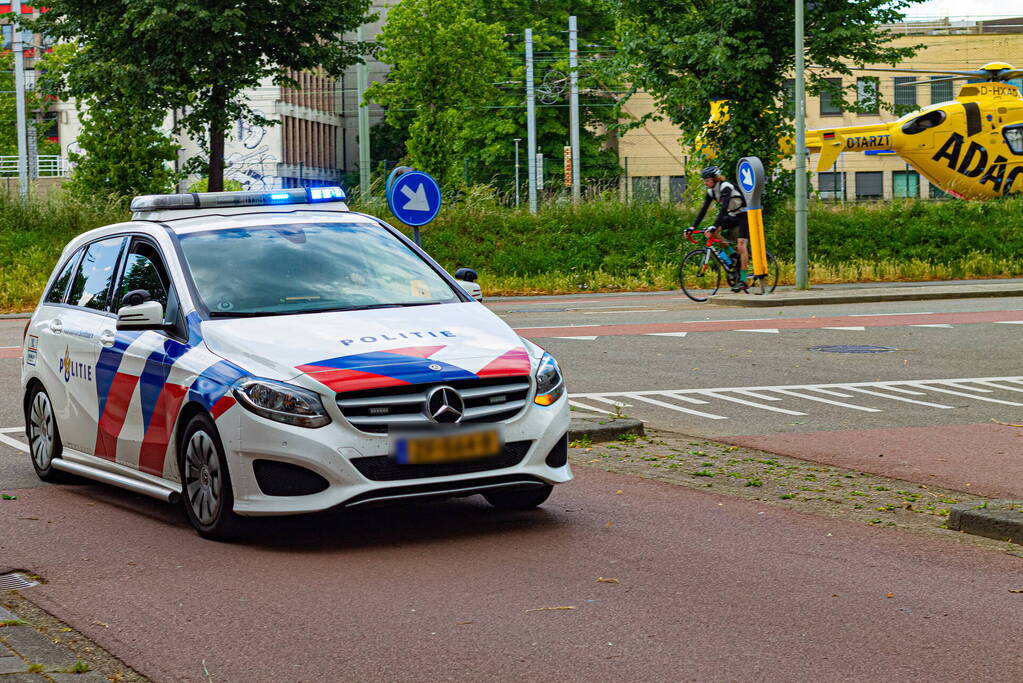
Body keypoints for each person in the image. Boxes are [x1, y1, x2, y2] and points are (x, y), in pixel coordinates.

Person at [687, 165, 750, 291]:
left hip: (744, 214)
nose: (705, 183)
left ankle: (743, 279)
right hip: (732, 215)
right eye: (704, 180)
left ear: (715, 179)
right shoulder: (711, 191)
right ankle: (732, 255)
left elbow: (723, 208)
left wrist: (714, 225)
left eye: (707, 180)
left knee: (741, 246)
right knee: (711, 233)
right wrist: (693, 227)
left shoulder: (726, 187)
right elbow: (703, 210)